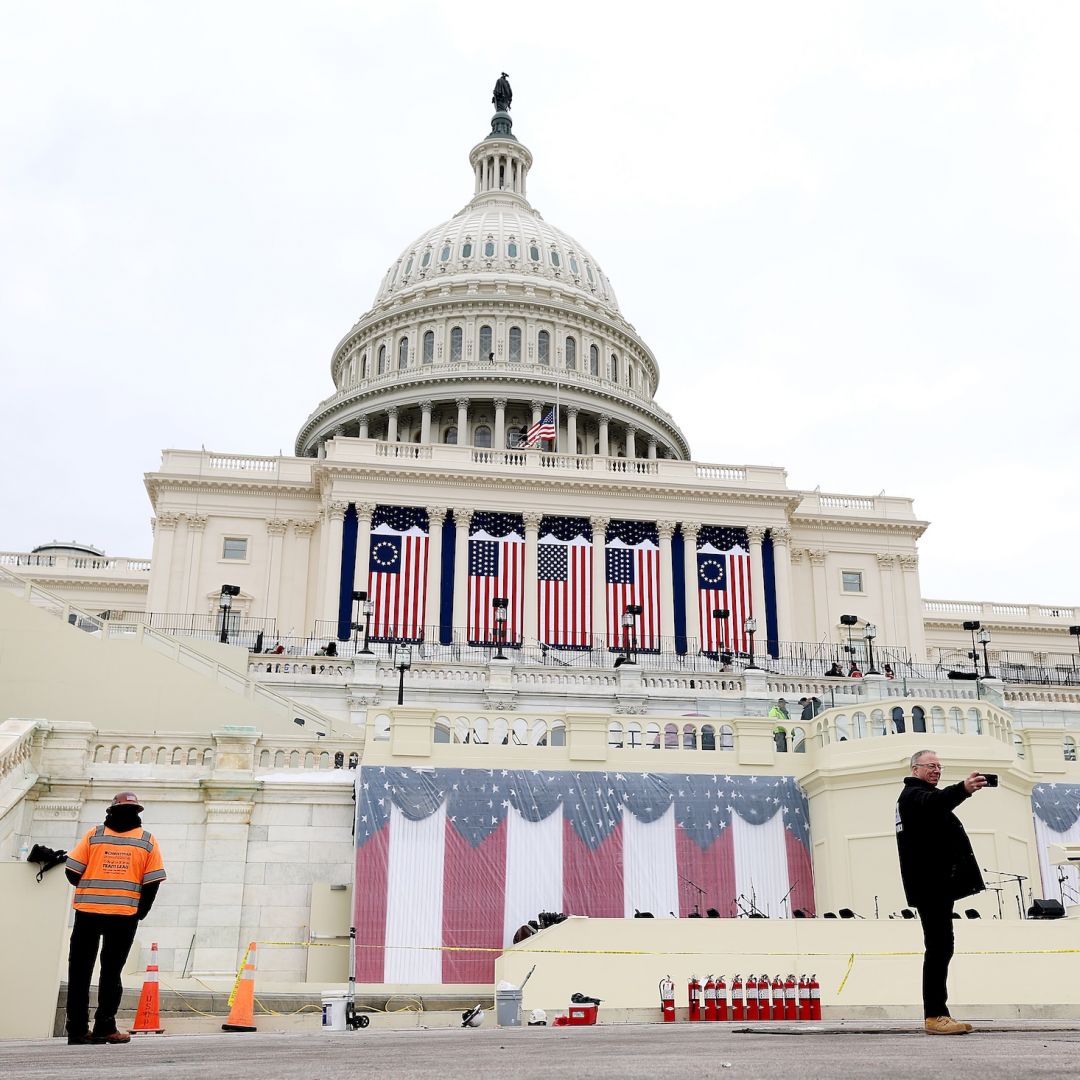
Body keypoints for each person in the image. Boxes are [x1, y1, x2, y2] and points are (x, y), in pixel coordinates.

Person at [895, 751, 987, 1035]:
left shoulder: (918, 797)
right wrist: (964, 789)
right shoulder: (912, 795)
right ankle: (935, 1014)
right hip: (930, 885)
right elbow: (936, 801)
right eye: (931, 766)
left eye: (939, 766)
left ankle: (938, 1013)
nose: (936, 770)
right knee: (939, 947)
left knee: (941, 946)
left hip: (934, 885)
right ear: (915, 769)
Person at [64, 792, 167, 1045]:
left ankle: (77, 1030)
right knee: (111, 973)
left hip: (87, 912)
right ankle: (105, 1027)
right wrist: (140, 910)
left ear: (111, 812)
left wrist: (92, 884)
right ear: (137, 814)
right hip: (124, 916)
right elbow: (152, 882)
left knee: (79, 972)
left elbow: (71, 871)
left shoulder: (94, 835)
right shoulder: (146, 840)